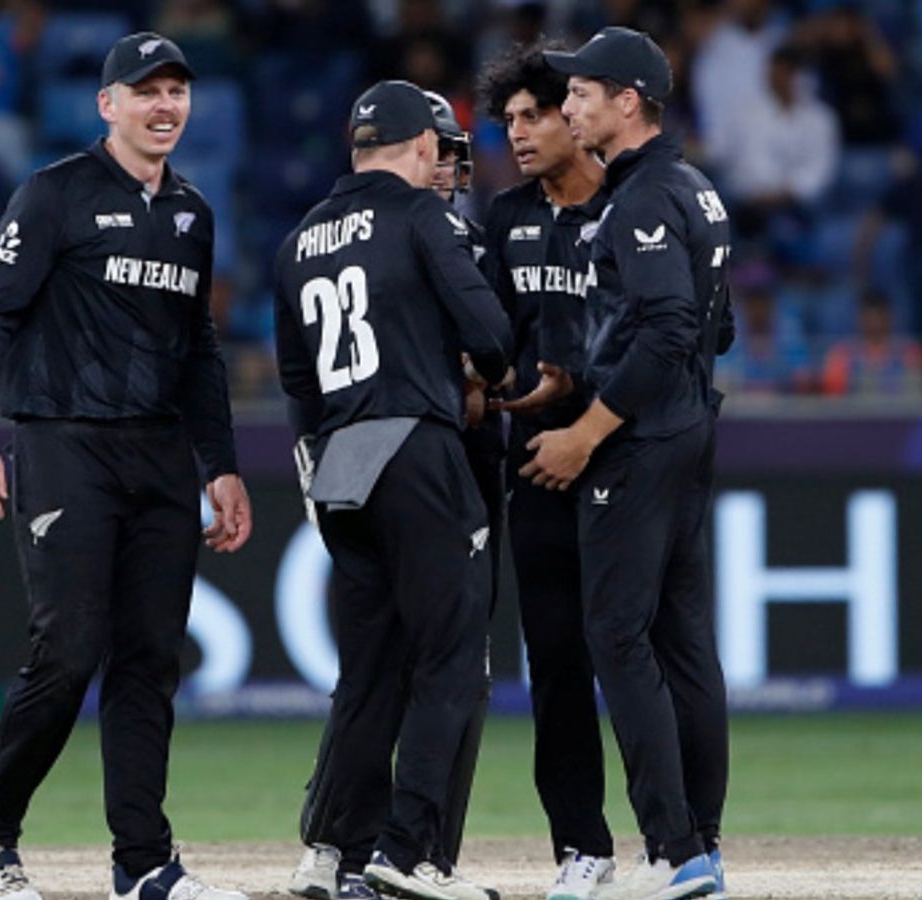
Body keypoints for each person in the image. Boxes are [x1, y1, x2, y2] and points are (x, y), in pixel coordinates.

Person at [0, 32, 252, 900]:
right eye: (146, 91)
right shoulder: (52, 194)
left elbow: (198, 349)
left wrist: (220, 467)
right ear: (106, 105)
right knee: (69, 649)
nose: (165, 106)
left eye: (177, 92)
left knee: (152, 658)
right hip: (63, 444)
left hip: (159, 456)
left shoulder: (193, 212)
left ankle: (144, 862)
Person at [275, 79, 512, 900]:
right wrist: (482, 369)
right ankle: (409, 853)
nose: (447, 165)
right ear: (418, 146)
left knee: (369, 667)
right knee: (451, 656)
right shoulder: (421, 217)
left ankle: (328, 850)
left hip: (340, 457)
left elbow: (297, 379)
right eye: (441, 150)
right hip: (416, 444)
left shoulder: (299, 238)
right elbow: (491, 334)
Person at [533, 27, 734, 900]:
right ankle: (704, 848)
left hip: (640, 443)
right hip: (688, 431)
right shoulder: (696, 189)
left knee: (616, 634)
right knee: (684, 645)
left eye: (582, 92)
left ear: (630, 101)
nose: (567, 105)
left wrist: (588, 429)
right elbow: (713, 329)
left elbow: (670, 329)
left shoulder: (644, 197)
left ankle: (674, 849)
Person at [474, 40, 617, 900]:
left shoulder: (633, 206)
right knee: (557, 660)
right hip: (534, 467)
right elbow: (489, 338)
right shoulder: (504, 217)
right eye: (509, 122)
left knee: (642, 656)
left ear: (578, 112)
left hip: (623, 460)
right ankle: (582, 847)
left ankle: (683, 838)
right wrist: (496, 390)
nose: (518, 135)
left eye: (533, 116)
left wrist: (586, 409)